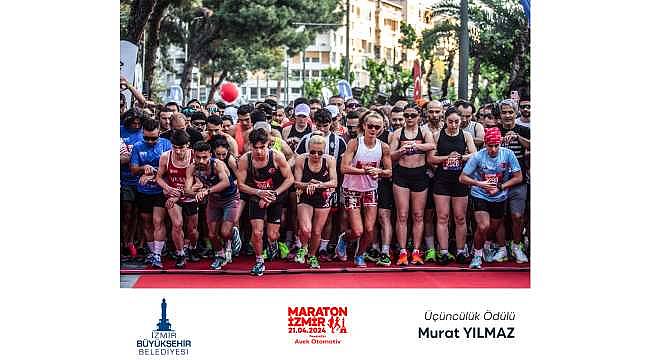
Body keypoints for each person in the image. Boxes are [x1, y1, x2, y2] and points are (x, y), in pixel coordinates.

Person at [459, 127, 524, 269]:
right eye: (490, 146)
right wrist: (479, 183)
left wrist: (500, 187)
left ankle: (486, 246)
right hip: (480, 194)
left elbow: (519, 177)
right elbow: (462, 178)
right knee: (483, 226)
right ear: (485, 144)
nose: (493, 149)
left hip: (499, 196)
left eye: (496, 146)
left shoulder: (508, 154)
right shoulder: (478, 156)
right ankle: (477, 256)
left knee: (493, 228)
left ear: (500, 143)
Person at [236, 129, 294, 276]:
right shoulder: (245, 159)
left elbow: (290, 179)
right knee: (257, 232)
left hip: (276, 194)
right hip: (256, 195)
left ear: (269, 144)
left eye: (262, 147)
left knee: (272, 235)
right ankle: (259, 260)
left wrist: (274, 194)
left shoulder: (277, 156)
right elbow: (240, 185)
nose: (259, 151)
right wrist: (259, 192)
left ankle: (273, 243)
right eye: (256, 148)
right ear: (250, 146)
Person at [338, 111, 392, 267]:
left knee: (369, 229)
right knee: (357, 231)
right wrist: (365, 171)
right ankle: (344, 238)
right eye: (370, 126)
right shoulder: (355, 143)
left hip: (370, 190)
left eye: (377, 127)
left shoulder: (384, 147)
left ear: (381, 128)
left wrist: (380, 171)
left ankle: (359, 254)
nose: (373, 129)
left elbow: (389, 172)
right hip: (352, 190)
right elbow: (344, 168)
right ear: (364, 126)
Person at [296, 109, 347, 260]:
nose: (322, 129)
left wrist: (330, 186)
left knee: (326, 221)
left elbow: (342, 166)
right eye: (319, 126)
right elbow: (296, 160)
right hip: (306, 187)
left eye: (326, 125)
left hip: (329, 186)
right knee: (305, 224)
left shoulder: (339, 141)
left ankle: (322, 249)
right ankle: (301, 247)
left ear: (331, 124)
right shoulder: (306, 139)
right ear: (314, 123)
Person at [389, 103, 436, 266]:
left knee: (418, 215)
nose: (409, 118)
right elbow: (390, 155)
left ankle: (416, 251)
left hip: (419, 175)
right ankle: (402, 251)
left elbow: (432, 145)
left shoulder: (424, 131)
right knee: (402, 215)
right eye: (407, 115)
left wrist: (416, 146)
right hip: (401, 175)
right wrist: (401, 150)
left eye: (412, 115)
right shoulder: (397, 133)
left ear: (419, 116)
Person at [430, 106, 477, 265]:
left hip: (460, 180)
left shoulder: (466, 135)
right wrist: (446, 158)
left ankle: (461, 250)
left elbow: (474, 155)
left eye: (457, 122)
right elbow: (430, 159)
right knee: (443, 217)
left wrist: (461, 157)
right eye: (450, 122)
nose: (454, 125)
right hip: (442, 180)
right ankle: (443, 251)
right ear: (445, 121)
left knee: (460, 217)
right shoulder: (437, 136)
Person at [185, 140, 240, 270]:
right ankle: (220, 255)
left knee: (225, 232)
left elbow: (225, 182)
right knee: (211, 234)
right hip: (213, 200)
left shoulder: (217, 164)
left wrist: (206, 191)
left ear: (210, 155)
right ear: (194, 155)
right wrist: (196, 194)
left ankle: (233, 233)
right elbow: (187, 189)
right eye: (198, 157)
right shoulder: (192, 167)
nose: (201, 161)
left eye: (205, 157)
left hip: (230, 198)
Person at [130, 118, 172, 269]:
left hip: (160, 190)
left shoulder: (167, 144)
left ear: (159, 134)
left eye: (153, 138)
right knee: (147, 223)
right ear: (142, 134)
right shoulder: (137, 146)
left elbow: (172, 169)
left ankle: (158, 254)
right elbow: (133, 169)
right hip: (143, 190)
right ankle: (152, 252)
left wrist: (154, 174)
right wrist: (143, 168)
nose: (150, 141)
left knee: (157, 221)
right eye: (146, 137)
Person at [155, 130, 200, 268]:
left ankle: (192, 248)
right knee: (177, 224)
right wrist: (168, 188)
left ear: (188, 145)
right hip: (172, 195)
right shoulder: (165, 157)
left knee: (192, 229)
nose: (179, 151)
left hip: (190, 195)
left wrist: (180, 193)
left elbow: (199, 183)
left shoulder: (195, 156)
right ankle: (180, 253)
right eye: (175, 147)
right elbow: (159, 177)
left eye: (182, 148)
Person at [293, 135, 338, 269]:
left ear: (324, 151)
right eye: (313, 152)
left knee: (317, 231)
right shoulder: (301, 159)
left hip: (323, 195)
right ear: (308, 150)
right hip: (306, 195)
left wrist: (318, 185)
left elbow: (334, 182)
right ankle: (303, 247)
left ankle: (312, 256)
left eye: (320, 152)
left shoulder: (330, 160)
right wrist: (308, 184)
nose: (316, 155)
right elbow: (296, 183)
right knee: (306, 229)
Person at [497, 99, 530, 262]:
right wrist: (498, 143)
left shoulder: (523, 129)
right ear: (500, 114)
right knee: (499, 217)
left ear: (516, 113)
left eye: (511, 112)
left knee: (517, 215)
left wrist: (517, 137)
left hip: (519, 181)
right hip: (498, 181)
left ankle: (517, 246)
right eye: (504, 112)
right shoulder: (494, 130)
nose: (507, 115)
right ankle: (502, 248)